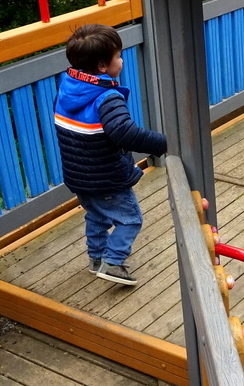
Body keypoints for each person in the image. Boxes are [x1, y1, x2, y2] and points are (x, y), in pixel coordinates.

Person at [54, 23, 166, 286]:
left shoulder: (67, 88)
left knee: (97, 215)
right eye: (118, 56)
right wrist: (165, 143)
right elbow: (125, 133)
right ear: (103, 66)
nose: (122, 60)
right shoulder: (106, 97)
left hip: (79, 176)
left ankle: (95, 259)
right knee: (130, 220)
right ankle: (113, 262)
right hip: (106, 177)